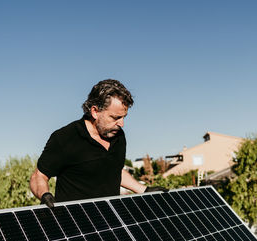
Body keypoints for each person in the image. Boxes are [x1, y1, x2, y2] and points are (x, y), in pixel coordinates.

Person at [30, 79, 166, 208]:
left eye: (124, 117)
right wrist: (45, 195)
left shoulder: (118, 136)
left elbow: (114, 170)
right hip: (74, 225)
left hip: (110, 221)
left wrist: (144, 189)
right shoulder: (65, 138)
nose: (122, 124)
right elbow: (39, 176)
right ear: (95, 111)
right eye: (115, 117)